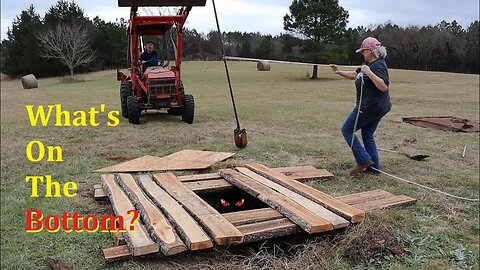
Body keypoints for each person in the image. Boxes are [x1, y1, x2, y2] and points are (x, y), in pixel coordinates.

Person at [330, 37, 391, 175]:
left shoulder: (378, 65)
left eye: (363, 51)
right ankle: (373, 168)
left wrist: (369, 72)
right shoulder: (368, 63)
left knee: (346, 130)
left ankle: (363, 160)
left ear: (370, 51)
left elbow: (383, 86)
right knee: (367, 134)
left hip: (370, 107)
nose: (362, 53)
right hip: (378, 107)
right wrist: (338, 72)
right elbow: (354, 75)